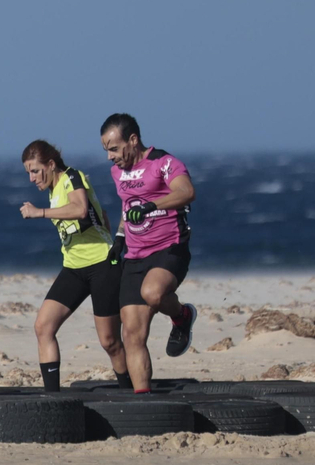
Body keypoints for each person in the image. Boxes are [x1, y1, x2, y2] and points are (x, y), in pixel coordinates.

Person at [17, 140, 130, 391]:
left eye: (35, 171)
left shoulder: (72, 177)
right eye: (28, 173)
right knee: (43, 327)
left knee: (110, 342)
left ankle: (129, 390)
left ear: (51, 164)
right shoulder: (53, 189)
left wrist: (40, 212)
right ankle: (53, 399)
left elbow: (80, 209)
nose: (32, 178)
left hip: (102, 265)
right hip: (73, 269)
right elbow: (103, 215)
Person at [100, 113, 198, 393]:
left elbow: (187, 192)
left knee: (153, 293)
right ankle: (143, 401)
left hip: (170, 249)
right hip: (135, 257)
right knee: (132, 335)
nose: (110, 157)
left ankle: (181, 316)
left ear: (133, 140)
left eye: (114, 149)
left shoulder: (164, 163)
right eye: (106, 150)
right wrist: (119, 239)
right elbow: (127, 206)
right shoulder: (117, 172)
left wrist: (151, 205)